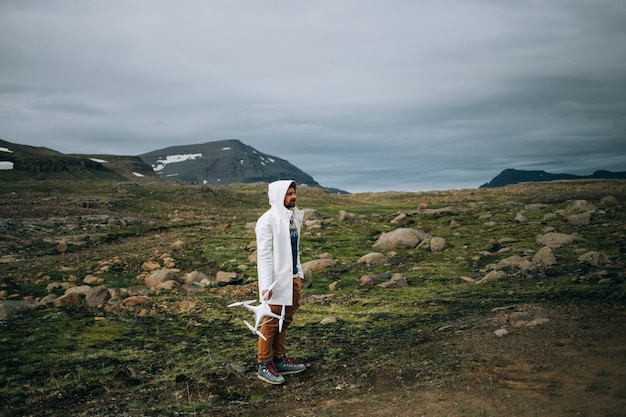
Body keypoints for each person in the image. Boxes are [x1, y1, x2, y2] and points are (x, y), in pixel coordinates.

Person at [254, 180, 307, 384]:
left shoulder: (291, 218)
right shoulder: (267, 221)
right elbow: (265, 256)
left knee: (286, 319)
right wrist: (266, 285)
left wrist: (298, 273)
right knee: (270, 320)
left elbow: (294, 249)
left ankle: (279, 358)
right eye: (289, 194)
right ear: (278, 196)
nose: (293, 197)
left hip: (292, 277)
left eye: (294, 193)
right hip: (275, 282)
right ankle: (264, 364)